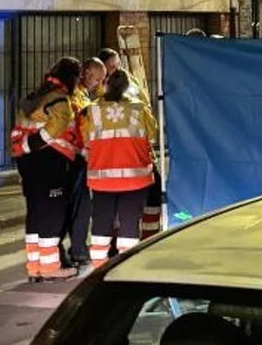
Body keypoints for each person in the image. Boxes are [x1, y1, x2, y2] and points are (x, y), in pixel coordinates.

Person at [78, 69, 158, 267]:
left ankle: (98, 268)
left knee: (101, 224)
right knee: (130, 224)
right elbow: (153, 136)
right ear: (128, 88)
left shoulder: (92, 110)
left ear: (106, 85)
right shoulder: (139, 110)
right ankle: (126, 268)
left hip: (102, 179)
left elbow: (85, 139)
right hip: (135, 178)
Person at [9, 80, 80, 282]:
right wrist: (33, 144)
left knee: (35, 213)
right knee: (52, 215)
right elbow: (58, 127)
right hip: (49, 160)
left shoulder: (34, 99)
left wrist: (25, 147)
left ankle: (34, 266)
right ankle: (49, 268)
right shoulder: (58, 100)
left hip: (28, 162)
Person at [98, 46, 164, 238]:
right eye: (113, 66)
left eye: (118, 65)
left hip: (132, 154)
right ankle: (121, 239)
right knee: (121, 204)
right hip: (117, 158)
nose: (118, 69)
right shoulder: (99, 94)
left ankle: (147, 236)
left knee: (151, 195)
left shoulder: (129, 83)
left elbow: (148, 115)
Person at [46, 57, 94, 268]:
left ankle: (75, 251)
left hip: (64, 159)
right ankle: (63, 252)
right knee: (67, 208)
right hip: (67, 159)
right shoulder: (65, 98)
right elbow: (71, 129)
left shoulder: (51, 94)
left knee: (77, 207)